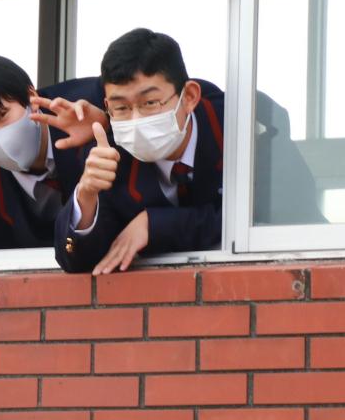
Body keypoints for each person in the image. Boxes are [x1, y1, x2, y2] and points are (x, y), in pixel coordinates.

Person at [58, 27, 225, 275]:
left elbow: (265, 220)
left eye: (149, 103)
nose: (135, 120)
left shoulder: (238, 128)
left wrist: (155, 224)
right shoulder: (109, 151)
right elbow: (77, 261)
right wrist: (86, 195)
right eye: (121, 107)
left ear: (189, 96)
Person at [0, 53, 107, 251]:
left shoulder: (95, 103)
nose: (0, 137)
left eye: (1, 115)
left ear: (31, 98)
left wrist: (107, 124)